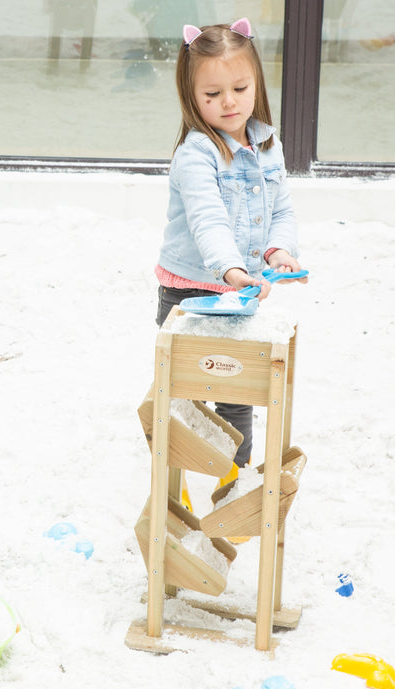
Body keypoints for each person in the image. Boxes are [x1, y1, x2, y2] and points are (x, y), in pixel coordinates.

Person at [155, 18, 306, 489]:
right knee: (185, 391)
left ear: (256, 83)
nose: (229, 102)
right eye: (212, 94)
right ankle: (175, 471)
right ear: (191, 97)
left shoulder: (266, 143)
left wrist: (280, 251)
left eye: (240, 88)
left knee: (237, 390)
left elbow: (280, 207)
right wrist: (233, 269)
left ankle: (232, 480)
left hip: (241, 293)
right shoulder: (196, 154)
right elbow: (208, 221)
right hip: (194, 291)